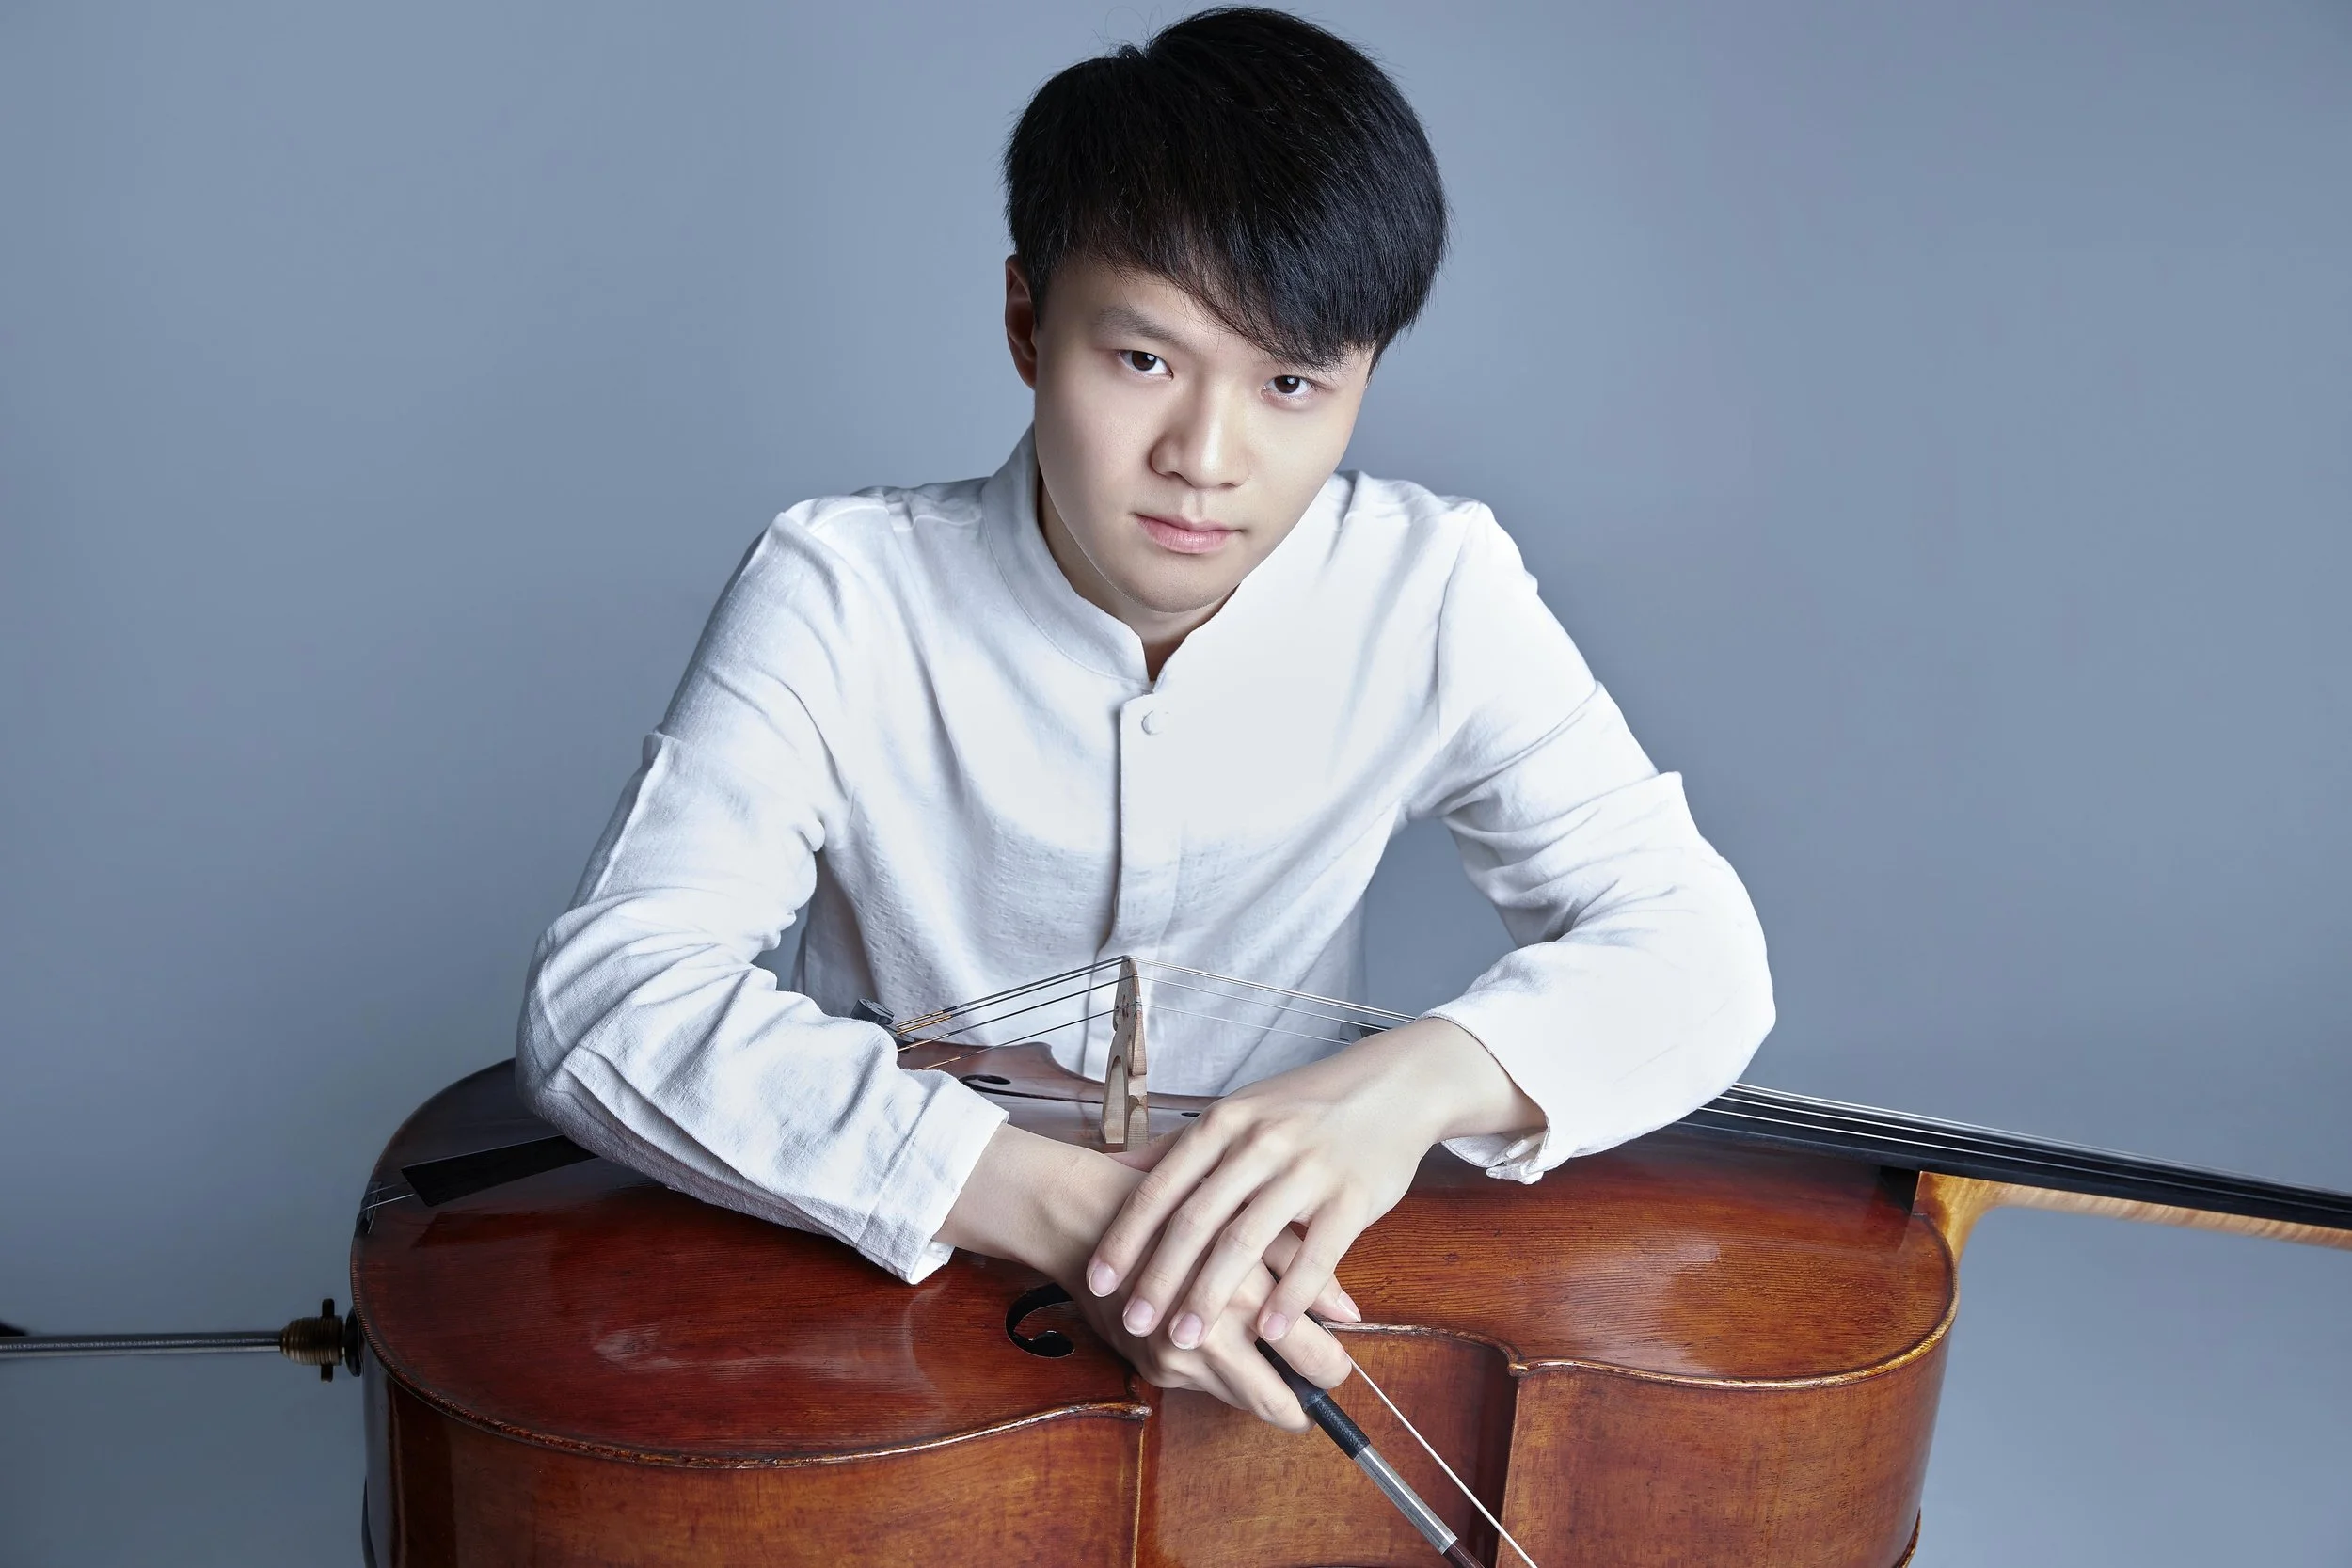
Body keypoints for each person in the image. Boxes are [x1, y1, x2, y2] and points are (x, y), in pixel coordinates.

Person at [516, 7, 1773, 1433]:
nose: (1207, 460)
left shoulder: (1432, 588)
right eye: (1144, 360)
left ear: (1362, 380)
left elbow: (1701, 952)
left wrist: (1403, 1093)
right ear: (1026, 322)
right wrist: (1067, 1210)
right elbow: (608, 998)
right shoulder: (841, 592)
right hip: (895, 1315)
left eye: (1291, 383)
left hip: (1276, 1307)